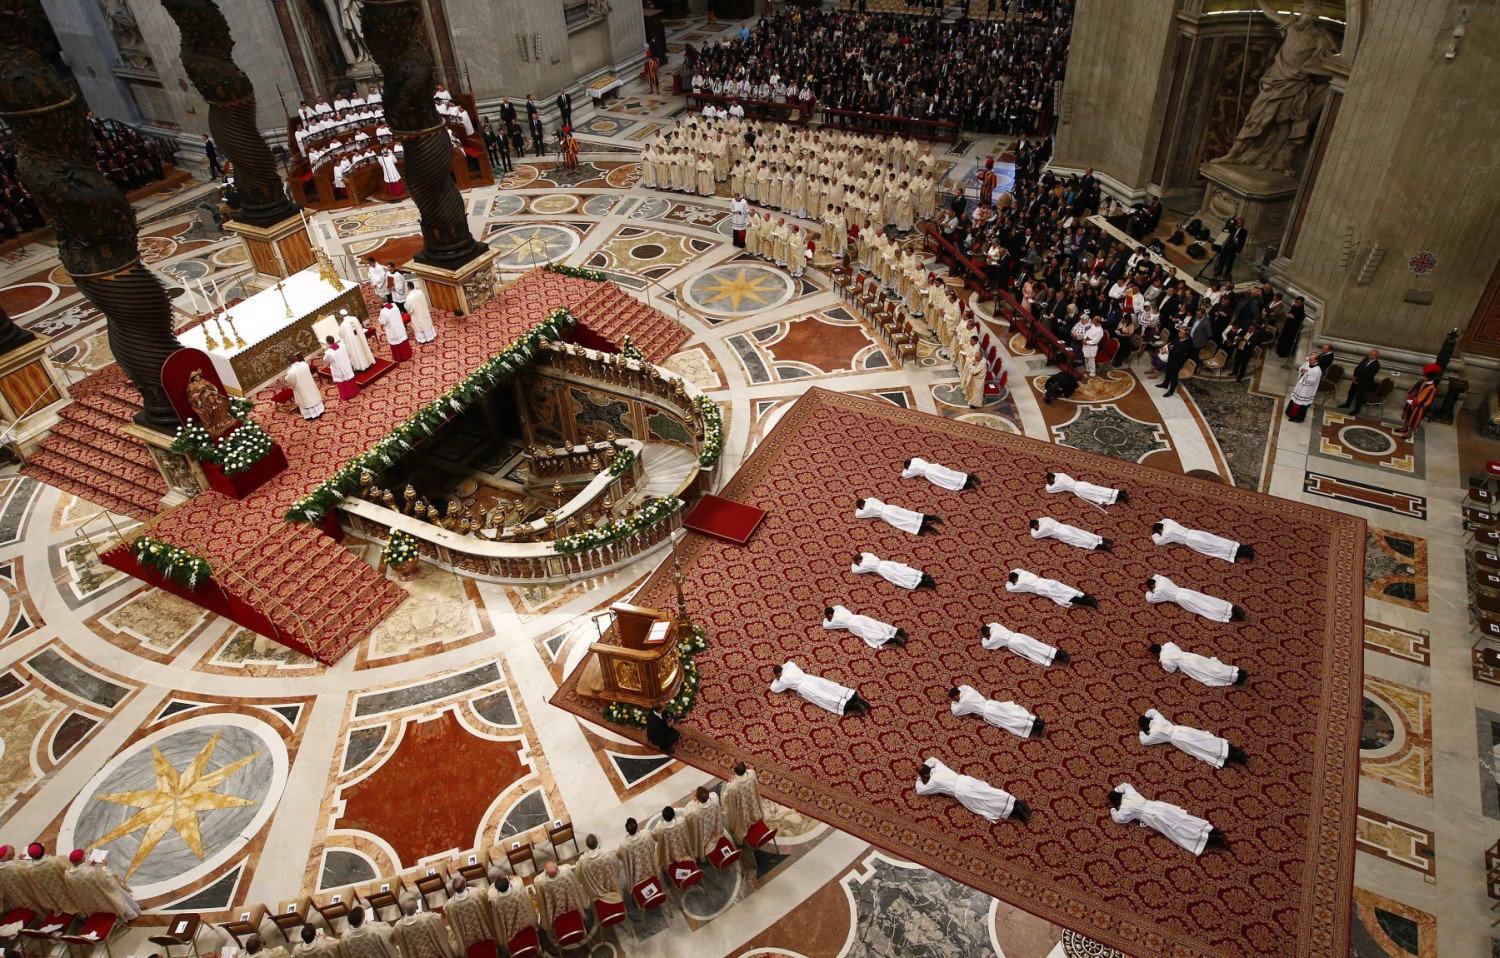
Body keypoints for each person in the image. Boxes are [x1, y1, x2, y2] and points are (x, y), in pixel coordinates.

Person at [1109, 783, 1227, 855]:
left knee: (1177, 830)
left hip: (1153, 817)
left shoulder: (1124, 809)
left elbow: (1118, 819)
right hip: (1160, 807)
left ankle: (1211, 839)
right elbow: (1125, 785)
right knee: (1182, 819)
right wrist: (1116, 790)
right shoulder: (1130, 794)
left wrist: (1113, 810)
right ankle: (1211, 830)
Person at [915, 758, 1031, 824]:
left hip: (962, 791)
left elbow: (920, 790)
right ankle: (1015, 801)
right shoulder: (938, 766)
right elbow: (932, 759)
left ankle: (1014, 810)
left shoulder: (933, 781)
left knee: (984, 804)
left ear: (926, 775)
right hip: (966, 780)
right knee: (990, 792)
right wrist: (925, 765)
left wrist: (919, 778)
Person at [1138, 709, 1248, 768]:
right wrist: (1146, 715)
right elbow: (1152, 711)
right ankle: (1233, 751)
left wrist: (1142, 732)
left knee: (1201, 748)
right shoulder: (1158, 719)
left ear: (1145, 726)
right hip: (1182, 729)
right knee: (1205, 739)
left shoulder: (1154, 733)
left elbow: (1144, 741)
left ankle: (1229, 756)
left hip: (1179, 739)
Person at [770, 661, 871, 715]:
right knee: (831, 687)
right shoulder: (791, 666)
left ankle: (852, 706)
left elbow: (774, 688)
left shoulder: (783, 679)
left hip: (805, 688)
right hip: (811, 679)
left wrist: (777, 679)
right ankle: (855, 698)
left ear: (778, 674)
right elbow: (787, 664)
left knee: (824, 698)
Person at [948, 685, 1042, 738]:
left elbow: (956, 712)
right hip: (991, 703)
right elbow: (964, 686)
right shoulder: (969, 691)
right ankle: (1034, 719)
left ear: (955, 696)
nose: (956, 700)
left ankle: (1035, 726)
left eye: (955, 698)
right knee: (1012, 712)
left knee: (1009, 721)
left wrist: (953, 703)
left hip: (989, 712)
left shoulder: (964, 702)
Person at [1145, 575, 1245, 622]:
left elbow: (1151, 599)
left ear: (1153, 586)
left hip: (1182, 599)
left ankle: (1228, 614)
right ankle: (1229, 608)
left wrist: (1148, 592)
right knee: (1207, 600)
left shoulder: (1159, 590)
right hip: (1185, 591)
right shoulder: (1163, 580)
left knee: (1203, 607)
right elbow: (1157, 576)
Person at [1148, 641, 1249, 687]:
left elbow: (1171, 669)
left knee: (1209, 673)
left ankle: (1236, 677)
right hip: (1190, 656)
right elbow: (1177, 649)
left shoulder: (1164, 659)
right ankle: (1236, 671)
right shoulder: (1168, 644)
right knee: (1211, 665)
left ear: (1156, 653)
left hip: (1188, 665)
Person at [1152, 519, 1253, 562]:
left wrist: (1155, 535)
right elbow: (1163, 520)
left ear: (1160, 530)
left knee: (1214, 548)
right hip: (1194, 533)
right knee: (1217, 540)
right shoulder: (1168, 522)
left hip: (1192, 540)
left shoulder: (1166, 533)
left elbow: (1159, 542)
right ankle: (1241, 546)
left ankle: (1241, 553)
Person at [981, 622, 1070, 665]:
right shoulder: (996, 625)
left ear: (987, 634)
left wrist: (984, 638)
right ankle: (1057, 653)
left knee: (1030, 651)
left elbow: (986, 645)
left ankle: (1052, 658)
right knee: (1037, 645)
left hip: (1014, 643)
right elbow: (990, 624)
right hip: (1018, 636)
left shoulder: (993, 637)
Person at [442, 876, 492, 952]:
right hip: (481, 926)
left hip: (467, 933)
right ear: (465, 884)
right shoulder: (477, 893)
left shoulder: (450, 905)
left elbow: (450, 917)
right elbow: (486, 896)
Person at [823, 604, 907, 648]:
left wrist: (826, 618)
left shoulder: (835, 620)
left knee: (871, 633)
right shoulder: (840, 609)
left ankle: (891, 639)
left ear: (830, 615)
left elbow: (826, 625)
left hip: (854, 625)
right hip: (858, 617)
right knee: (876, 624)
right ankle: (897, 630)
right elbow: (837, 606)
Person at [485, 873, 537, 944]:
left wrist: (501, 882)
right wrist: (508, 877)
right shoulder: (518, 887)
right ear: (509, 883)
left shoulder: (493, 897)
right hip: (523, 920)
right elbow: (517, 878)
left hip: (509, 924)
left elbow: (491, 888)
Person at [532, 861, 586, 928]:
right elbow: (577, 887)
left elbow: (541, 902)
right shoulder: (566, 873)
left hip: (555, 915)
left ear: (545, 872)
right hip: (572, 908)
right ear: (558, 868)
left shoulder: (540, 882)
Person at [1006, 569, 1099, 608]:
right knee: (1065, 588)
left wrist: (1010, 582)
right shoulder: (1023, 573)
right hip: (1044, 581)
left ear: (1014, 580)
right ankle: (1085, 595)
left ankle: (1088, 602)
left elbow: (1009, 588)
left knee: (1063, 596)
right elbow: (1016, 570)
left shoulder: (1020, 583)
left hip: (1041, 588)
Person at [576, 835, 623, 906]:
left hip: (597, 892)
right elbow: (616, 864)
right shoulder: (607, 854)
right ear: (597, 842)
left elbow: (580, 876)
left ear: (587, 846)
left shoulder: (583, 862)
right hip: (611, 886)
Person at [854, 496, 941, 535]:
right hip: (890, 507)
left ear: (861, 506)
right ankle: (930, 517)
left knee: (903, 522)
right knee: (908, 513)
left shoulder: (866, 509)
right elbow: (866, 499)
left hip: (886, 514)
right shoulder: (871, 499)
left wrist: (860, 509)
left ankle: (924, 527)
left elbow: (857, 515)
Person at [722, 763, 763, 843]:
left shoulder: (733, 787)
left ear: (735, 772)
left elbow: (727, 799)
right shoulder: (751, 776)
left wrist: (729, 784)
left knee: (738, 824)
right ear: (745, 768)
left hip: (742, 813)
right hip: (752, 806)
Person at [683, 786, 730, 857]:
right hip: (714, 829)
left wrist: (693, 800)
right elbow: (711, 794)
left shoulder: (693, 811)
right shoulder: (715, 798)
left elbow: (685, 813)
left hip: (703, 835)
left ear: (697, 798)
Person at [851, 551, 936, 590]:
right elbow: (863, 553)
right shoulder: (868, 556)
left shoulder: (864, 565)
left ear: (859, 561)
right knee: (904, 570)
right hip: (886, 563)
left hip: (883, 570)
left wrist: (854, 564)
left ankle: (924, 582)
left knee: (900, 577)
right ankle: (923, 576)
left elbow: (855, 571)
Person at [616, 817, 659, 889]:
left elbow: (620, 855)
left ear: (627, 830)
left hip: (636, 874)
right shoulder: (646, 834)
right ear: (637, 826)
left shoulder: (623, 846)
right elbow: (652, 847)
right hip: (649, 868)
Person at [1399, 364, 1441, 437]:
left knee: (1414, 419)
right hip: (1411, 402)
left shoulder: (1432, 388)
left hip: (1418, 407)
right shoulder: (1421, 382)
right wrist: (1411, 396)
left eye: (1426, 376)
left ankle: (1410, 433)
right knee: (1407, 415)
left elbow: (1427, 400)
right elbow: (1412, 389)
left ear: (1430, 377)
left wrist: (1415, 402)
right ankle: (1405, 428)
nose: (1424, 377)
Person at [651, 805, 696, 871]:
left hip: (669, 854)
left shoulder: (659, 829)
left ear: (663, 817)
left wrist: (660, 823)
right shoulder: (681, 821)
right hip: (682, 849)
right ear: (674, 815)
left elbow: (655, 837)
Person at [1030, 516, 1112, 552]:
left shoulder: (1043, 528)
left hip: (1062, 533)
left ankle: (1100, 546)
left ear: (1036, 525)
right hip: (1065, 527)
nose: (1037, 529)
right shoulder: (1045, 519)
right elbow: (1040, 519)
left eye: (1036, 527)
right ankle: (1101, 539)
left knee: (1079, 540)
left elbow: (1035, 536)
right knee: (1082, 533)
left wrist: (1032, 529)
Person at [1045, 471, 1126, 506]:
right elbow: (1055, 474)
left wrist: (1049, 483)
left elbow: (1049, 489)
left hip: (1079, 490)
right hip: (1081, 484)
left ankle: (1119, 496)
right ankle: (1119, 493)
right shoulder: (1061, 475)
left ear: (1052, 479)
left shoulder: (1058, 483)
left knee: (1096, 495)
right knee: (1098, 490)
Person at [1339, 348, 1381, 414]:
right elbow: (1358, 368)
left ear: (1376, 356)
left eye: (1372, 355)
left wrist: (1357, 380)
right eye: (1370, 354)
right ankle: (1347, 404)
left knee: (1359, 397)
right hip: (1356, 379)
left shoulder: (1376, 365)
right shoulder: (1366, 359)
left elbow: (1369, 376)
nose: (1370, 356)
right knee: (1351, 392)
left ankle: (1356, 410)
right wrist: (1354, 376)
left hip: (1364, 383)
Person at [284, 353, 325, 420]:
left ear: (288, 362)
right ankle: (320, 410)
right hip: (309, 384)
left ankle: (310, 415)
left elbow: (290, 381)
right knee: (313, 397)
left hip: (301, 388)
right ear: (296, 358)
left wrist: (286, 377)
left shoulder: (291, 372)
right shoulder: (304, 364)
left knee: (306, 400)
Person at [902, 457, 979, 491]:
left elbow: (904, 475)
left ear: (908, 465)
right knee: (950, 473)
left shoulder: (912, 468)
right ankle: (970, 477)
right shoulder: (915, 459)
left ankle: (966, 485)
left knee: (946, 480)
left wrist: (906, 469)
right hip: (933, 466)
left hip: (931, 473)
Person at [1285, 352, 1322, 421]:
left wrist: (1306, 374)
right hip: (1300, 386)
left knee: (1301, 403)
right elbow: (1300, 369)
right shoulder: (1307, 363)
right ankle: (1289, 413)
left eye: (1311, 360)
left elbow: (1313, 381)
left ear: (1316, 360)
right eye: (1309, 359)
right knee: (1294, 400)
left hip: (1306, 389)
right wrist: (1301, 371)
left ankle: (1297, 418)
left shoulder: (1317, 370)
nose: (1309, 361)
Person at [323, 335, 358, 400]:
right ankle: (355, 391)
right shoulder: (342, 345)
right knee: (349, 378)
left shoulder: (328, 352)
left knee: (342, 381)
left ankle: (347, 395)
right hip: (345, 364)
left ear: (327, 342)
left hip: (339, 368)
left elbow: (326, 360)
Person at [405, 280, 435, 344]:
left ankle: (423, 339)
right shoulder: (420, 292)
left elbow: (409, 308)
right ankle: (430, 335)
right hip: (423, 311)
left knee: (420, 325)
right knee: (426, 323)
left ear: (408, 287)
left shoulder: (409, 297)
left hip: (417, 314)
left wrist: (406, 307)